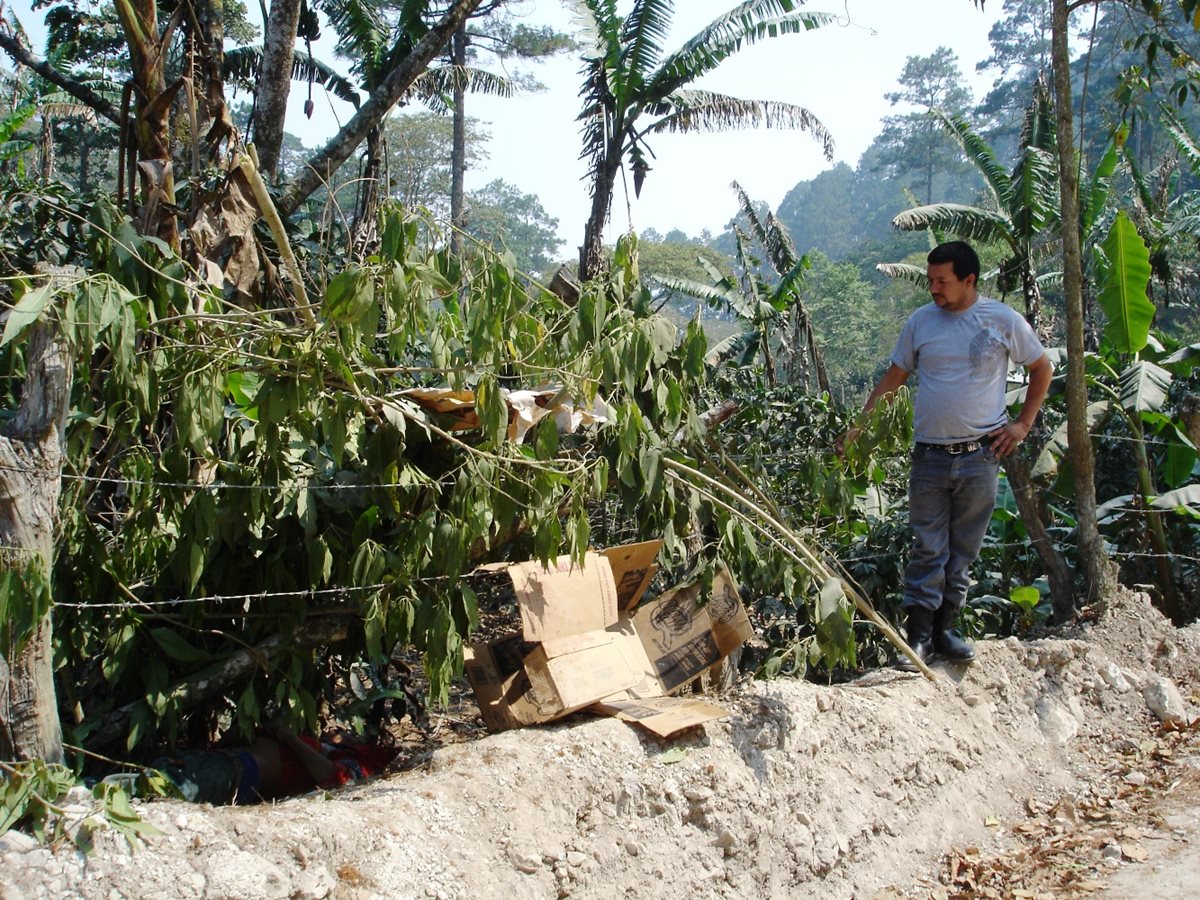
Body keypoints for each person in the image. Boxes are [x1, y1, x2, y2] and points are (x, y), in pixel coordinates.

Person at [839, 241, 1052, 669]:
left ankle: (945, 632)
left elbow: (1041, 367)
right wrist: (858, 428)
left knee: (963, 549)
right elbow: (894, 379)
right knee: (928, 547)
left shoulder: (1002, 320)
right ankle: (917, 637)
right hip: (930, 456)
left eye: (942, 281)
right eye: (931, 279)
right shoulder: (921, 323)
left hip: (981, 455)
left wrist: (1023, 425)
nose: (933, 288)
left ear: (968, 280)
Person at [151, 721, 397, 804]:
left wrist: (289, 737)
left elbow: (336, 780)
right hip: (216, 761)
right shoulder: (324, 748)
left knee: (153, 787)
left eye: (353, 735)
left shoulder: (356, 765)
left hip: (232, 773)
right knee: (152, 772)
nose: (341, 730)